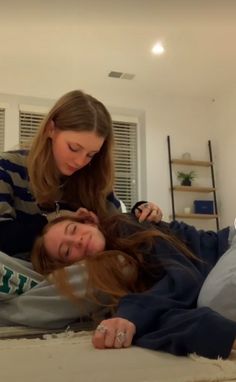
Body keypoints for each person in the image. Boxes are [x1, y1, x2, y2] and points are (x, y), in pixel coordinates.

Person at [31, 211, 236, 360]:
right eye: (66, 251)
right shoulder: (112, 278)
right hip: (218, 274)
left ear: (90, 222)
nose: (77, 241)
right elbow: (161, 313)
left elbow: (184, 279)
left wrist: (130, 315)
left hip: (226, 245)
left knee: (213, 301)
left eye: (73, 229)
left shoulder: (124, 225)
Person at [0, 89, 162, 257]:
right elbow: (3, 237)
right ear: (51, 129)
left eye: (91, 154)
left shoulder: (94, 177)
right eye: (74, 148)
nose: (80, 162)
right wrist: (61, 218)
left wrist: (140, 213)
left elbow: (114, 230)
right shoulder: (6, 167)